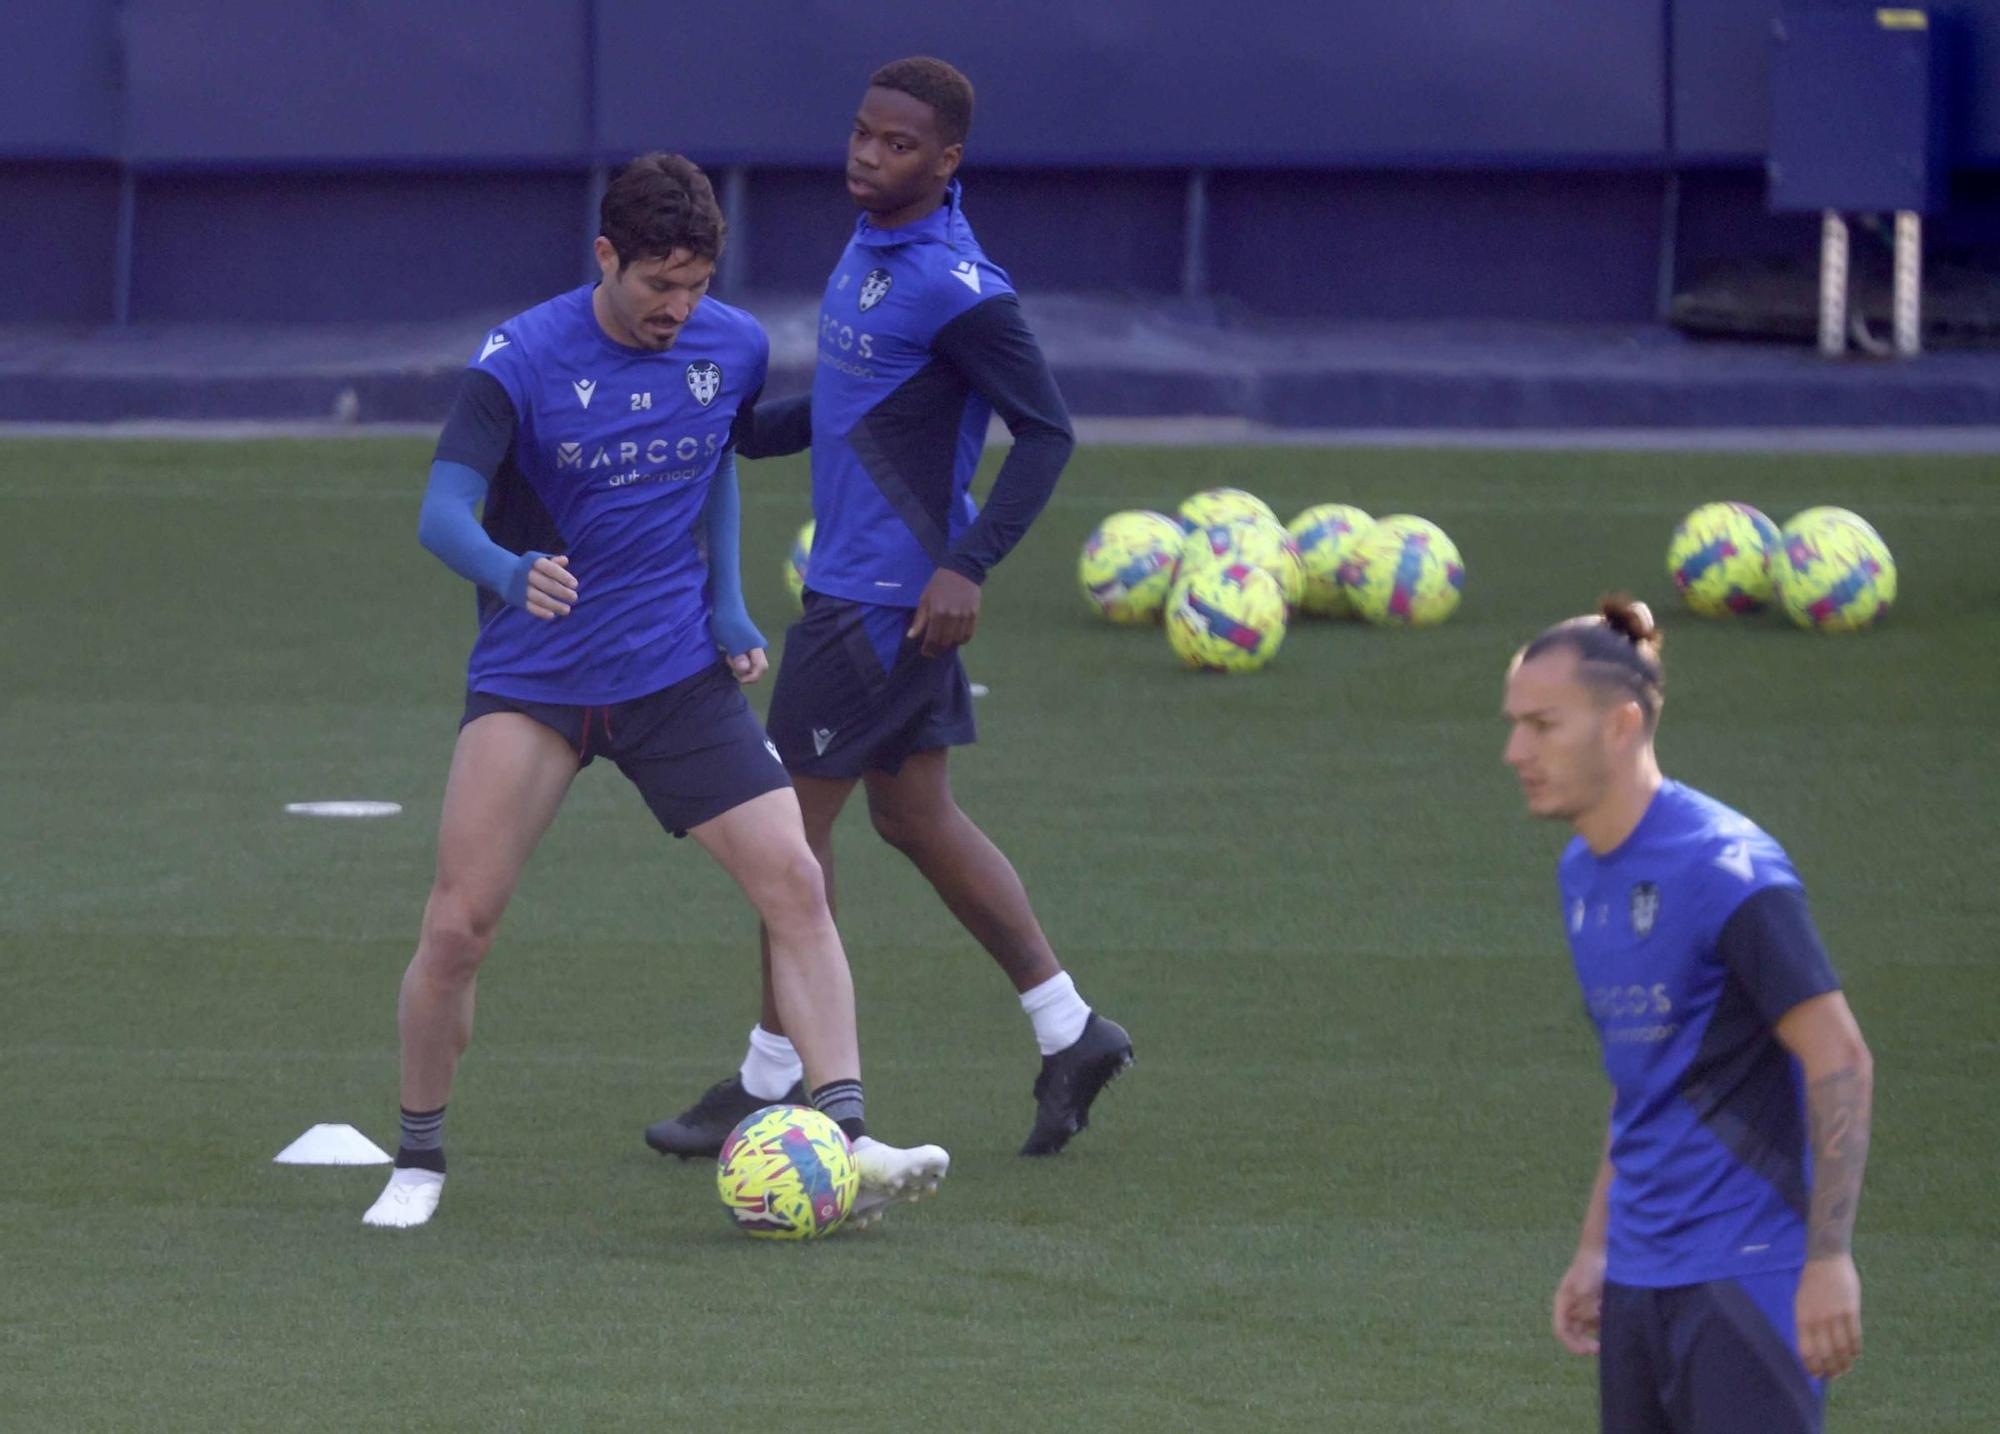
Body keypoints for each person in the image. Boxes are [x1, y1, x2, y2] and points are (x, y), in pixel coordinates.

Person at [363, 152, 947, 1231]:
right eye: (655, 288)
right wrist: (505, 573)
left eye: (695, 286)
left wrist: (726, 603)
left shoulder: (730, 345)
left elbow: (715, 457)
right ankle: (419, 1159)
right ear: (604, 258)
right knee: (458, 928)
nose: (678, 310)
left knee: (795, 884)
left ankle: (849, 1142)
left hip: (673, 673)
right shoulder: (521, 359)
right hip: (534, 682)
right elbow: (439, 511)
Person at [645, 57, 1132, 1161]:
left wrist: (968, 566)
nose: (868, 155)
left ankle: (772, 1084)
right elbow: (864, 397)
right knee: (913, 818)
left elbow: (1046, 432)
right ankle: (1070, 1028)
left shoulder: (959, 286)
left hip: (881, 606)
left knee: (783, 845)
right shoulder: (873, 243)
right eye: (862, 134)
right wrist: (750, 429)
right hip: (866, 597)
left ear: (946, 161)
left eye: (897, 145)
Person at [1502, 595, 1874, 1431]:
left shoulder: (1727, 869)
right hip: (1639, 1278)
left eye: (1542, 726)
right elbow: (1642, 1077)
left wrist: (1828, 1259)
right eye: (1516, 724)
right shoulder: (1582, 874)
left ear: (1622, 724)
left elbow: (1839, 1056)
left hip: (1746, 1277)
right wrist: (1596, 1247)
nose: (1515, 751)